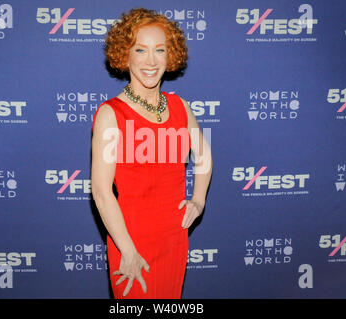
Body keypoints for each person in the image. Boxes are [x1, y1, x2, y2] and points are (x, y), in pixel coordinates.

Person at [91, 8, 212, 299]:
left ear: (170, 55)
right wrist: (128, 252)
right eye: (140, 50)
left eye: (160, 50)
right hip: (130, 240)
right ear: (125, 54)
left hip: (174, 237)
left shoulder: (181, 107)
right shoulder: (111, 114)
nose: (151, 60)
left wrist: (198, 200)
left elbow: (204, 157)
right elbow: (101, 190)